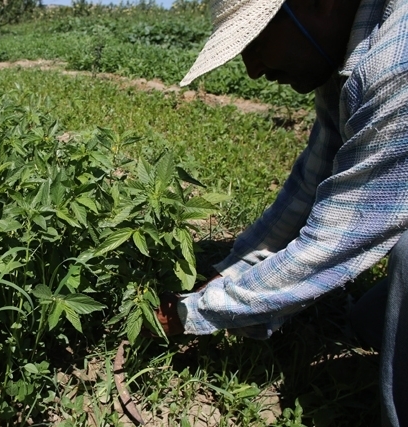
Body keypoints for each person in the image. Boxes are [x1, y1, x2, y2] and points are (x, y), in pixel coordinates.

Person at [154, 0, 408, 425]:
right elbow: (308, 187)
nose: (252, 69)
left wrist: (190, 313)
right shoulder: (342, 66)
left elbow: (334, 243)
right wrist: (231, 271)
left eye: (255, 42)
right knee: (374, 320)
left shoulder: (396, 64)